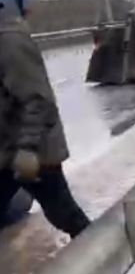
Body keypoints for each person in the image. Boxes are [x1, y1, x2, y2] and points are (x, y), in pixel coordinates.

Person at [0, 16, 92, 238]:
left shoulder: (9, 41)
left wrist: (27, 149)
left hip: (30, 152)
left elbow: (37, 100)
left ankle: (101, 257)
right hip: (6, 151)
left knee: (65, 215)